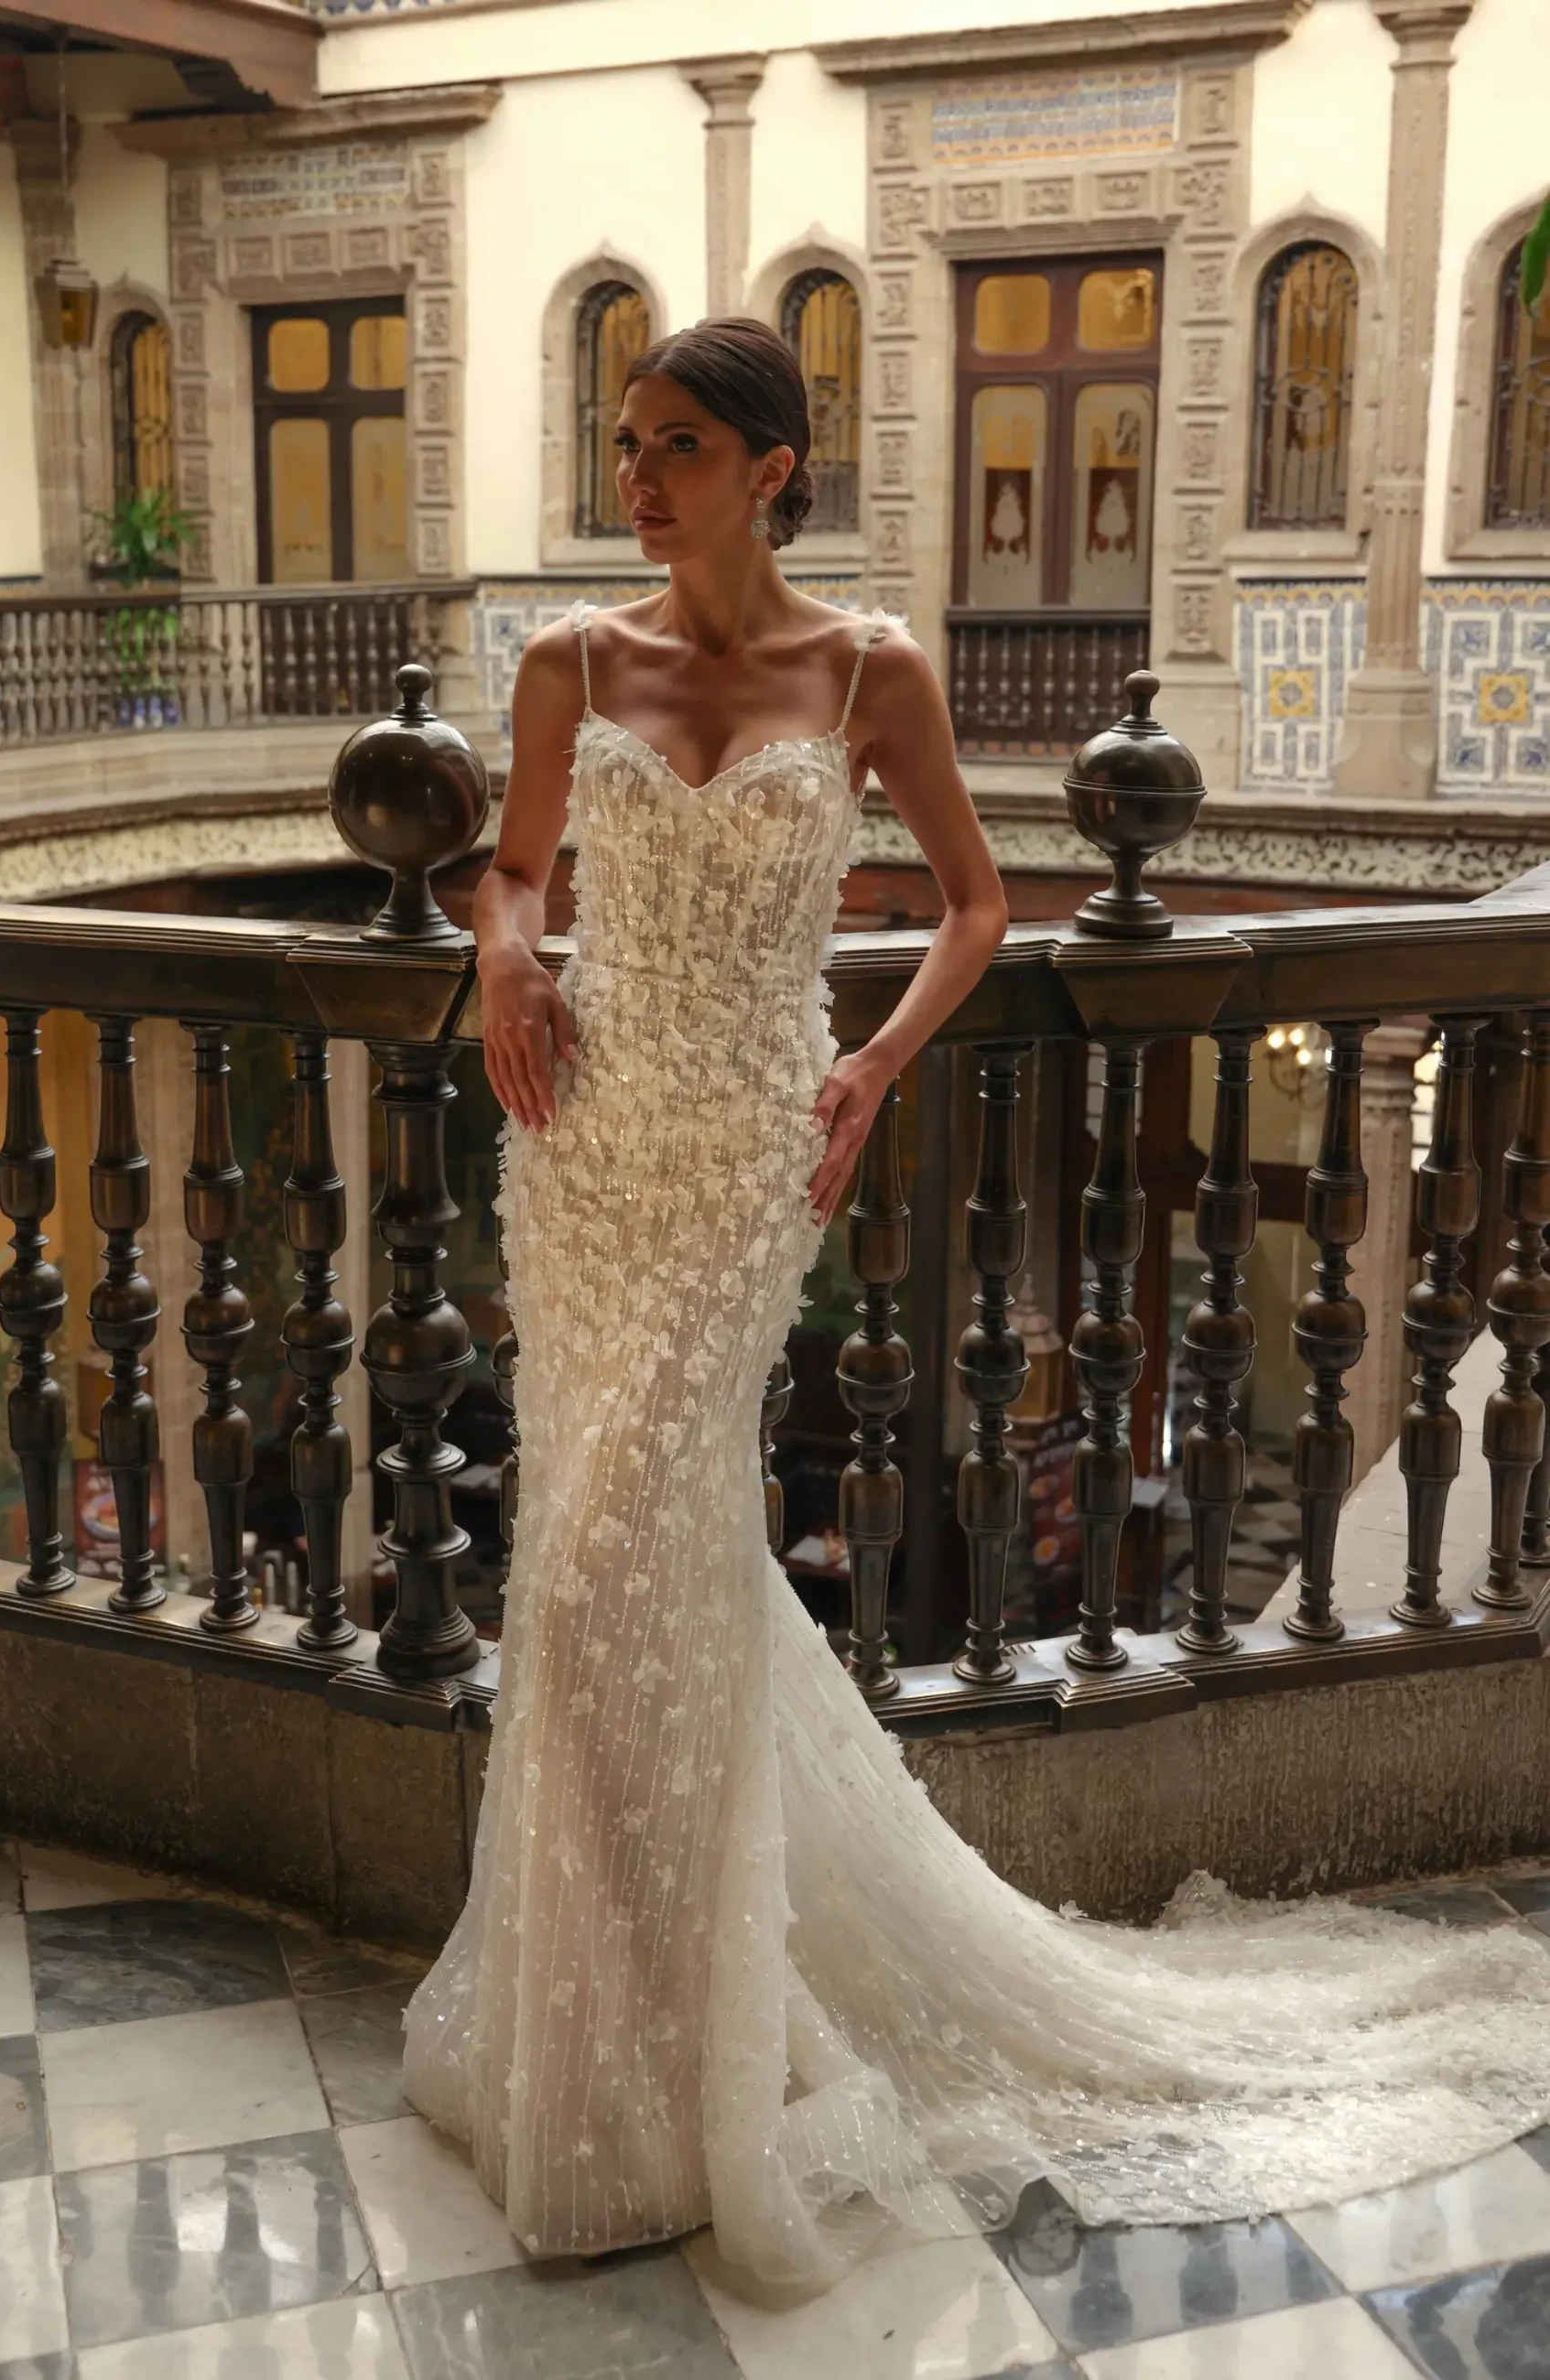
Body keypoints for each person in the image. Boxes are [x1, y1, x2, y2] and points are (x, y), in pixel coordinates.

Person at [401, 316, 1550, 2300]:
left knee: (595, 1576)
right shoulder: (567, 665)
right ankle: (607, 2062)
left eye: (675, 446)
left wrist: (869, 1069)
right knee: (637, 1580)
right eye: (626, 446)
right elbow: (508, 875)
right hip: (580, 1151)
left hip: (750, 1152)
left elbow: (974, 901)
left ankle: (688, 2047)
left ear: (771, 467)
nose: (637, 482)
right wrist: (511, 963)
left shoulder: (870, 670)